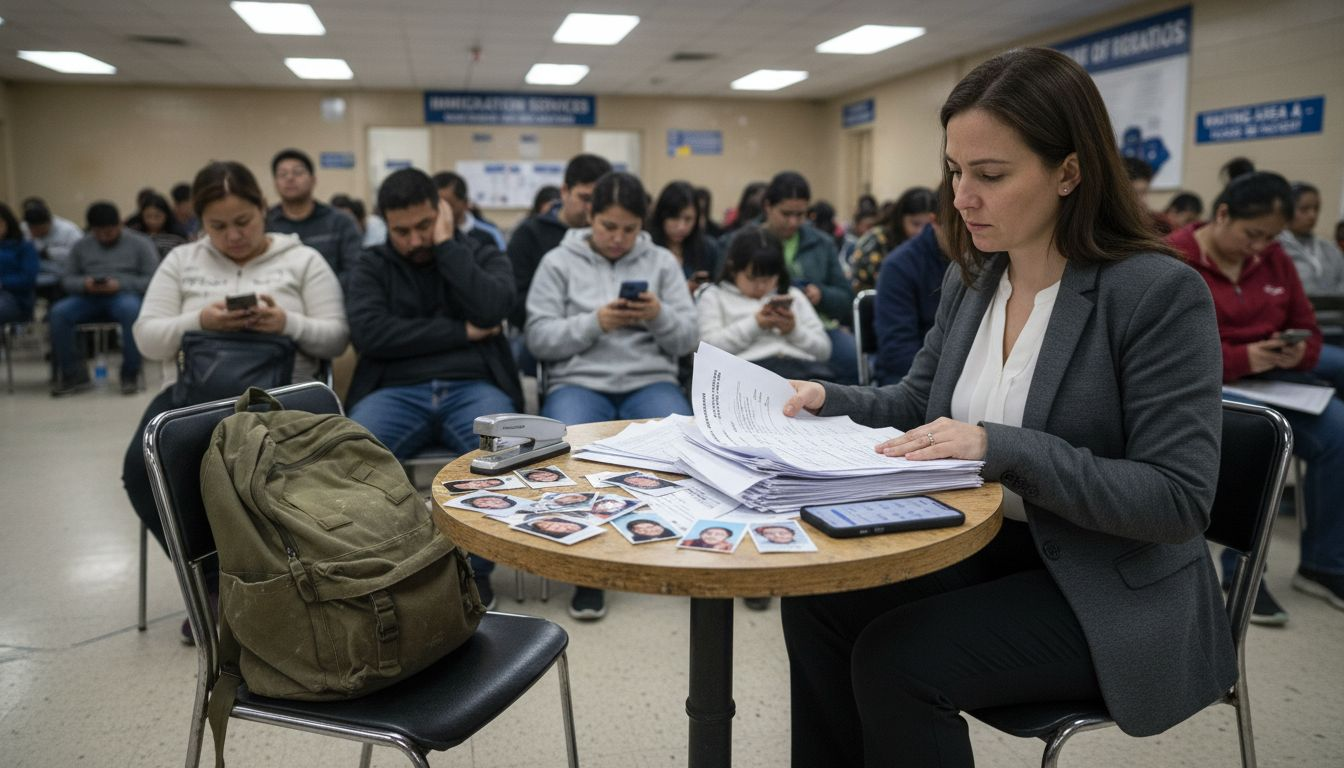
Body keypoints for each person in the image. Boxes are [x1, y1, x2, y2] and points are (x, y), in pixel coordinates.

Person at [779, 47, 1235, 768]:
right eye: (956, 172)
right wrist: (820, 398)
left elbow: (1176, 501)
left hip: (1107, 581)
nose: (962, 197)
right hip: (989, 545)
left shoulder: (1155, 295)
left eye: (990, 175)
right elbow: (916, 404)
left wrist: (1001, 446)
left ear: (1069, 171)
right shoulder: (976, 280)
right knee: (819, 600)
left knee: (898, 658)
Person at [124, 159, 348, 643]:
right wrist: (200, 320)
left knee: (262, 468)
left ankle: (278, 581)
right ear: (199, 224)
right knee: (142, 470)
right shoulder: (182, 261)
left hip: (282, 394)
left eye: (243, 222)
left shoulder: (302, 259)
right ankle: (213, 584)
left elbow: (334, 338)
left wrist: (285, 323)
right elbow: (147, 339)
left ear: (263, 210)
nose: (233, 237)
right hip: (197, 395)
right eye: (217, 227)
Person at [1169, 170, 1344, 619]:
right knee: (1260, 435)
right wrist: (1245, 358)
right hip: (1205, 388)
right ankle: (1243, 570)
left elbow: (1309, 328)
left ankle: (1323, 563)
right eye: (1252, 234)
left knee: (1339, 430)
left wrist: (1298, 352)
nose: (1260, 248)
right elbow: (1169, 353)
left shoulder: (1275, 259)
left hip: (1272, 382)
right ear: (1222, 214)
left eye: (1270, 238)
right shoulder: (1175, 256)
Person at [344, 167, 521, 610]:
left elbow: (494, 307)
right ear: (385, 224)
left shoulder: (479, 251)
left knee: (505, 451)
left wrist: (448, 248)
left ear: (442, 213)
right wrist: (462, 331)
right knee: (348, 461)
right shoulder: (371, 265)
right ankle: (390, 575)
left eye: (425, 226)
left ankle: (475, 573)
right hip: (396, 390)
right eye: (400, 231)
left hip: (474, 386)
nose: (413, 240)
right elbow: (371, 334)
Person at [526, 170, 698, 620]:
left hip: (650, 381)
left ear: (642, 225)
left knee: (687, 447)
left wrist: (658, 315)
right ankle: (590, 570)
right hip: (580, 382)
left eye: (629, 229)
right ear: (590, 215)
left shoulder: (661, 262)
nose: (618, 239)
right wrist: (595, 323)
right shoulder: (557, 262)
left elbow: (688, 341)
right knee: (571, 453)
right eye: (608, 227)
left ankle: (679, 549)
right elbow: (538, 340)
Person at [751, 171, 857, 384]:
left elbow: (846, 298)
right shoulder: (745, 242)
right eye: (786, 214)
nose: (793, 222)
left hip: (816, 325)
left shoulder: (822, 243)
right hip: (758, 323)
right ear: (767, 207)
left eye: (800, 215)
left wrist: (822, 295)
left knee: (850, 357)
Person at [48, 201, 159, 395]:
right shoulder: (81, 245)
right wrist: (85, 284)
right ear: (91, 229)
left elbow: (154, 279)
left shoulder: (140, 243)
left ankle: (129, 374)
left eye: (110, 231)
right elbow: (67, 279)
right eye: (99, 232)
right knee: (58, 313)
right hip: (88, 297)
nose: (104, 236)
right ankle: (73, 374)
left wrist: (120, 284)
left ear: (120, 224)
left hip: (124, 295)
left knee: (131, 311)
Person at [697, 226, 831, 380]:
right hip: (746, 374)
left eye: (768, 280)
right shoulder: (715, 296)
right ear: (733, 269)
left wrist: (793, 330)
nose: (761, 287)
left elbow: (824, 351)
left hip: (802, 371)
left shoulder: (793, 296)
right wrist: (756, 324)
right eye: (752, 278)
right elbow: (705, 351)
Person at [507, 153, 612, 333]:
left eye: (600, 200)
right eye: (585, 198)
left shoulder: (615, 238)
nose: (592, 208)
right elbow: (514, 299)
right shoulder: (529, 234)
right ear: (564, 192)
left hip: (607, 332)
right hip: (545, 330)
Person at [266, 148, 363, 288]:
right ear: (275, 183)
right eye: (282, 174)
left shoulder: (341, 222)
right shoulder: (266, 223)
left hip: (333, 297)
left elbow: (355, 271)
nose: (290, 178)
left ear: (313, 180)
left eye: (298, 172)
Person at [873, 220, 951, 385]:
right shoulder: (897, 266)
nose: (967, 235)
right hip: (911, 375)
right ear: (936, 222)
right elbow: (897, 349)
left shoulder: (978, 260)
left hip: (955, 372)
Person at [849, 186, 938, 293]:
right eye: (915, 224)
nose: (921, 231)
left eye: (928, 225)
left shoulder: (938, 243)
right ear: (900, 219)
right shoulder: (875, 240)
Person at [648, 180, 720, 294]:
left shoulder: (708, 249)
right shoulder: (647, 247)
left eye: (688, 219)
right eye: (674, 218)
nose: (681, 227)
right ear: (661, 217)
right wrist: (683, 289)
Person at [1278, 182, 1344, 295]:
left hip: (1334, 310)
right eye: (1304, 209)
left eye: (1316, 209)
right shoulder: (1276, 248)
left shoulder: (1330, 248)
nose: (1312, 215)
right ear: (1287, 211)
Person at [433, 171, 507, 251]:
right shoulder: (427, 234)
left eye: (448, 206)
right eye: (435, 207)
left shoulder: (490, 233)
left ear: (465, 203)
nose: (441, 212)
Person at [20, 198, 82, 282]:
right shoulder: (23, 228)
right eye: (31, 229)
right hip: (33, 271)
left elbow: (80, 255)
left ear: (49, 222)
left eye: (39, 229)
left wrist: (49, 253)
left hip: (62, 273)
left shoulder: (69, 230)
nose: (34, 233)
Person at [0, 202, 40, 325]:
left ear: (8, 223)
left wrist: (2, 283)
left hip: (15, 298)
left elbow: (28, 278)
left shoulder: (23, 246)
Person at [127, 193, 188, 258]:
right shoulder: (136, 235)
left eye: (157, 216)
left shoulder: (177, 237)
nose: (152, 221)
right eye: (148, 216)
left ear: (166, 215)